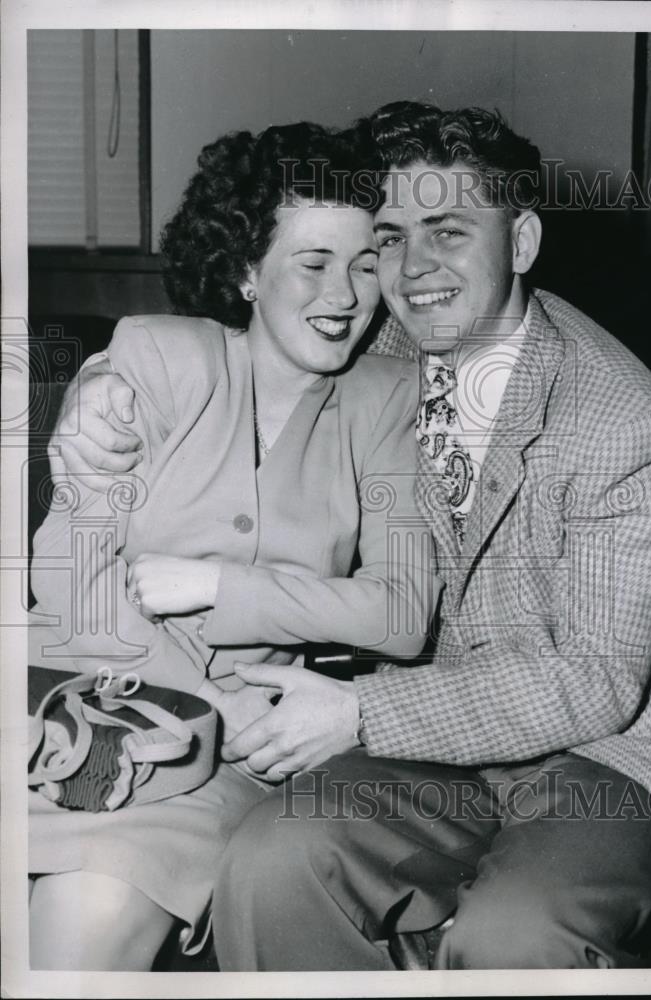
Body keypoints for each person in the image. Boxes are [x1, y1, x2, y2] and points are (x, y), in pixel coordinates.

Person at [59, 101, 651, 970]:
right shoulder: (378, 329)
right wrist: (98, 391)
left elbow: (591, 681)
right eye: (391, 236)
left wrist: (362, 711)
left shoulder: (624, 426)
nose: (412, 269)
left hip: (614, 755)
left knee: (515, 933)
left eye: (448, 231)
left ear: (519, 244)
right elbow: (240, 340)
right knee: (269, 863)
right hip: (434, 747)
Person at [27, 120, 441, 970]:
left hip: (222, 765)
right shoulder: (155, 357)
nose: (344, 295)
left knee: (90, 910)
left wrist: (217, 582)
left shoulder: (391, 398)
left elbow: (403, 614)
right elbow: (66, 576)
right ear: (248, 271)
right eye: (312, 262)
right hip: (54, 705)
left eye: (366, 265)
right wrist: (211, 701)